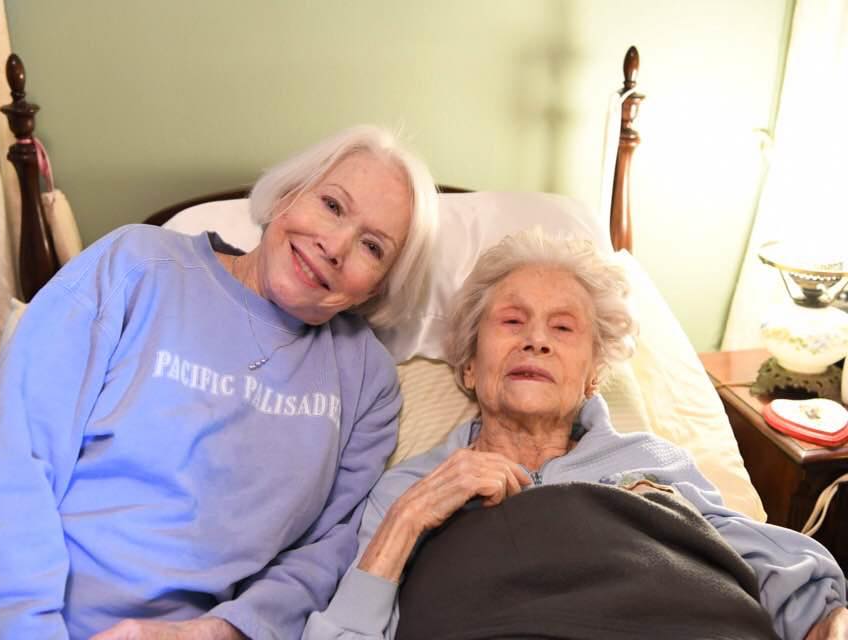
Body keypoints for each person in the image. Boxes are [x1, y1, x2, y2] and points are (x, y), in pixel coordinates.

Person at [0, 125, 439, 640]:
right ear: (288, 194)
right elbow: (5, 459)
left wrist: (217, 632)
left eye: (373, 247)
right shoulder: (136, 266)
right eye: (332, 204)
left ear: (379, 287)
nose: (336, 245)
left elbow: (326, 552)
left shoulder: (366, 380)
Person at [304, 228, 848, 640]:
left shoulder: (652, 461)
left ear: (592, 378)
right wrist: (409, 520)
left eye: (563, 328)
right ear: (469, 365)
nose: (536, 340)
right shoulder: (410, 491)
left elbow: (789, 577)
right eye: (512, 321)